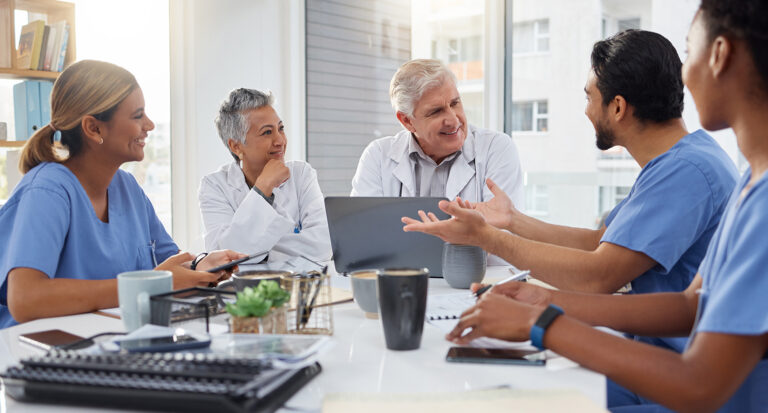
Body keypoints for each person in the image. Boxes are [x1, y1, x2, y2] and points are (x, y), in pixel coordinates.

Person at [441, 1, 768, 411]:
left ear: (719, 55)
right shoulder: (746, 181)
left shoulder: (705, 175)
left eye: (690, 51)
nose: (685, 76)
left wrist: (539, 320)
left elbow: (699, 381)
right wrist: (542, 300)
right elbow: (691, 304)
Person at [403, 30, 739, 353]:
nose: (586, 110)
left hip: (671, 365)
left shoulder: (685, 172)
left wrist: (488, 238)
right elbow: (600, 243)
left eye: (589, 97)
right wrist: (512, 220)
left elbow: (597, 277)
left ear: (618, 107)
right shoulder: (683, 161)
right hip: (650, 348)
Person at [0, 60, 245, 329]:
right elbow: (26, 300)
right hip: (37, 353)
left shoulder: (127, 189)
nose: (149, 125)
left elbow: (171, 265)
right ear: (94, 128)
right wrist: (149, 285)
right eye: (138, 115)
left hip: (108, 342)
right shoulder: (47, 190)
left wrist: (201, 265)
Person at [351, 58, 524, 205]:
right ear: (407, 121)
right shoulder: (378, 156)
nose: (453, 120)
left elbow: (503, 236)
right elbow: (364, 233)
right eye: (436, 111)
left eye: (455, 103)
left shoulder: (496, 149)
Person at [198, 88, 331, 264]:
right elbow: (226, 259)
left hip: (302, 284)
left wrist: (261, 253)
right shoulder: (214, 186)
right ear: (236, 147)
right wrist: (263, 187)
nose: (280, 141)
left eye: (281, 128)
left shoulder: (301, 174)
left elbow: (323, 245)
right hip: (245, 290)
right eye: (267, 132)